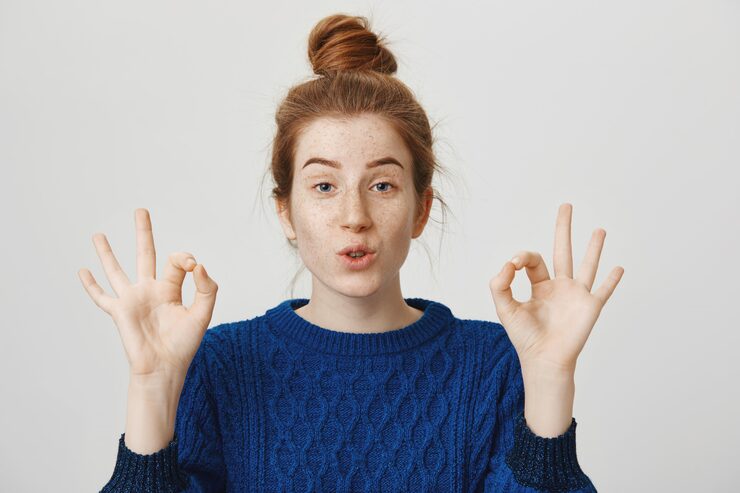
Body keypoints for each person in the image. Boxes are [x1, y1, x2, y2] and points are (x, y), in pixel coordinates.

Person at [80, 13, 623, 493]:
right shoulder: (219, 363)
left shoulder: (495, 364)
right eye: (324, 186)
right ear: (286, 212)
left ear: (420, 209)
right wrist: (151, 386)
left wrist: (550, 376)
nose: (354, 216)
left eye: (382, 185)